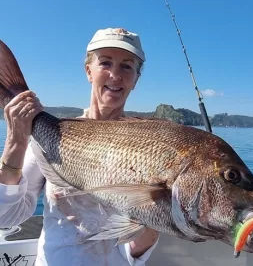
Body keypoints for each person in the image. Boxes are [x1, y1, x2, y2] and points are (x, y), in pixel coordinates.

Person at [0, 27, 159, 266]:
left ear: (136, 79)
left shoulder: (149, 147)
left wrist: (155, 224)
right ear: (88, 71)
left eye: (127, 66)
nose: (115, 75)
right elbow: (7, 216)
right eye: (105, 63)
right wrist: (16, 141)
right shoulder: (50, 135)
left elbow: (134, 248)